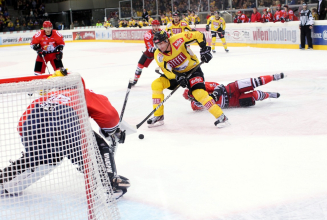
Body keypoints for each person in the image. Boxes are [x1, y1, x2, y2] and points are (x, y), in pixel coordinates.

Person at [0, 69, 130, 199]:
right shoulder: (84, 92)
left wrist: (35, 145)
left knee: (43, 158)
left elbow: (23, 124)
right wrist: (114, 131)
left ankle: (4, 182)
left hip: (30, 125)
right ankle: (108, 185)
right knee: (100, 147)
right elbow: (109, 117)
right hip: (65, 123)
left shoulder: (49, 95)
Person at [149, 30, 229, 127]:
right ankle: (159, 116)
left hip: (193, 70)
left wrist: (204, 49)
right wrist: (177, 77)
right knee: (156, 84)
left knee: (198, 93)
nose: (160, 47)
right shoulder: (158, 55)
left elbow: (198, 35)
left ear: (167, 40)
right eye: (157, 44)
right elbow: (167, 71)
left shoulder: (178, 39)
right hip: (177, 75)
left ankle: (221, 117)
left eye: (162, 43)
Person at [182, 73, 285, 110]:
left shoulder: (203, 86)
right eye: (191, 96)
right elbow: (197, 107)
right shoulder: (194, 105)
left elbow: (219, 86)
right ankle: (268, 95)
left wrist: (215, 94)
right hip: (233, 102)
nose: (195, 95)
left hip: (232, 88)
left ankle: (273, 77)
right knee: (255, 96)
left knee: (254, 82)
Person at [132, 20, 163, 86]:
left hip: (162, 51)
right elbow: (150, 48)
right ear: (152, 26)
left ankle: (171, 77)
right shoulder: (148, 34)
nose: (156, 27)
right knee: (139, 65)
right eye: (154, 25)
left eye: (157, 25)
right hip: (151, 52)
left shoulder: (163, 32)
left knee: (166, 65)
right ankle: (135, 80)